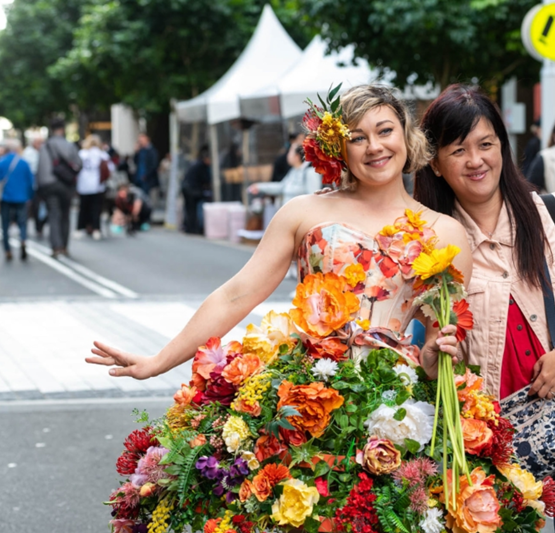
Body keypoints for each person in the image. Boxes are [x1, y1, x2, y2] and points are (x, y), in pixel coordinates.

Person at [87, 85, 470, 412]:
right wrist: (158, 361)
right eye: (356, 137)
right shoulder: (302, 213)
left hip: (396, 405)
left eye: (385, 131)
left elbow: (446, 340)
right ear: (338, 148)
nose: (374, 147)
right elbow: (236, 295)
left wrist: (436, 363)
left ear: (406, 136)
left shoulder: (446, 233)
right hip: (305, 396)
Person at [414, 84, 555, 533]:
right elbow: (419, 346)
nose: (476, 161)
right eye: (459, 150)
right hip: (484, 441)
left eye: (486, 144)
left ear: (503, 147)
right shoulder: (427, 244)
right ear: (435, 162)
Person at [38, 118, 82, 258]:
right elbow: (78, 164)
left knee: (53, 215)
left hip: (50, 185)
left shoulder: (45, 146)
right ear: (62, 129)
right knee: (65, 215)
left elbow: (41, 170)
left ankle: (56, 246)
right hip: (66, 185)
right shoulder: (69, 145)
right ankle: (64, 246)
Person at [0, 139, 35, 261]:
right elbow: (30, 182)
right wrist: (30, 196)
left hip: (6, 198)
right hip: (21, 198)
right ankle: (23, 241)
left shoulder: (2, 162)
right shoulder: (24, 163)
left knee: (5, 224)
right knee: (22, 222)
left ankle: (7, 250)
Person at [76, 134, 115, 240]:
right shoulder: (102, 154)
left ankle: (80, 228)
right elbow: (111, 168)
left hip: (83, 185)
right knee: (96, 208)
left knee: (83, 208)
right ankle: (96, 229)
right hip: (98, 186)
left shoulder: (82, 153)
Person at [181, 146, 212, 234]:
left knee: (189, 209)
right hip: (191, 190)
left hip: (187, 188)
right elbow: (205, 179)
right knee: (192, 210)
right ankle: (192, 228)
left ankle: (189, 227)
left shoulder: (196, 163)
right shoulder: (201, 166)